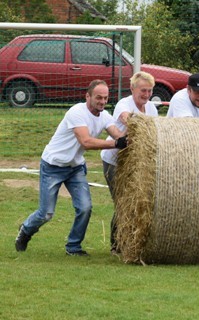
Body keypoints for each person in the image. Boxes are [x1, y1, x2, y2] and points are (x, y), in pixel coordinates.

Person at [15, 80, 127, 256]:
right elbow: (86, 141)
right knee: (46, 214)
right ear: (87, 96)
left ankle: (73, 247)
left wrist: (133, 136)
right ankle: (26, 230)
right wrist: (115, 143)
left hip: (75, 167)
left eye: (105, 98)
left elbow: (119, 136)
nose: (103, 101)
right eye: (99, 97)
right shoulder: (77, 112)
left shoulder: (105, 116)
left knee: (85, 208)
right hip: (53, 165)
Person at [100, 72, 159, 253]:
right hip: (115, 162)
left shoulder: (152, 109)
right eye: (143, 90)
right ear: (132, 88)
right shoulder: (123, 104)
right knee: (123, 202)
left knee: (138, 203)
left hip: (137, 163)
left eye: (149, 91)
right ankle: (116, 245)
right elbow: (126, 118)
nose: (146, 95)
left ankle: (134, 242)